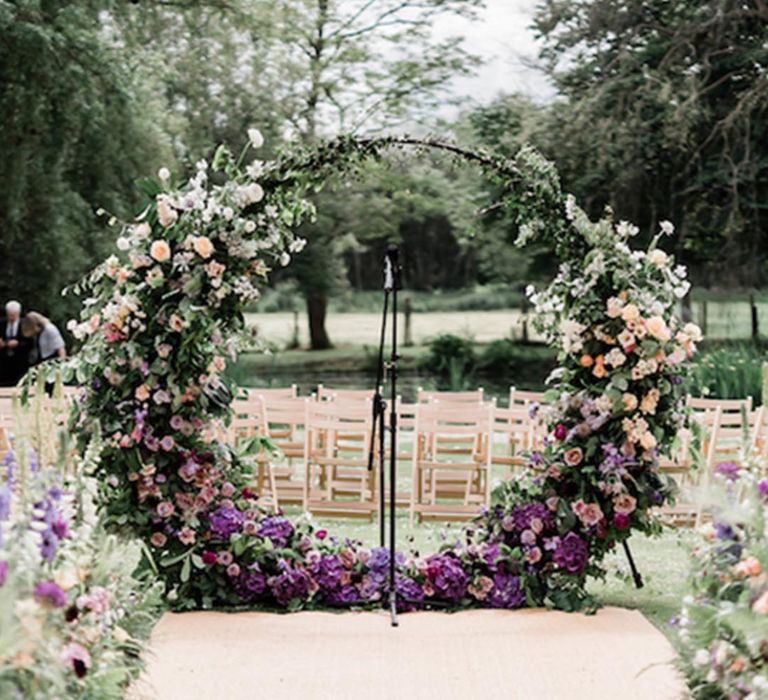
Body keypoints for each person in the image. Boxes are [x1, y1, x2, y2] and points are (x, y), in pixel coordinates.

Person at [0, 300, 32, 387]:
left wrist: (18, 343)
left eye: (14, 315)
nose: (11, 318)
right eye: (9, 315)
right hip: (4, 360)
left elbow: (30, 342)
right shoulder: (2, 323)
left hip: (20, 359)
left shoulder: (25, 324)